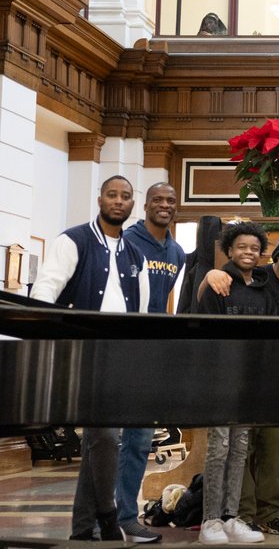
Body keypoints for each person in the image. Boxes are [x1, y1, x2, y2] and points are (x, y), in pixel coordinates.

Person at [31, 176, 151, 543]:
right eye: (112, 195)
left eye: (126, 197)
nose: (118, 201)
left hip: (119, 355)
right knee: (103, 436)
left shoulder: (136, 256)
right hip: (81, 351)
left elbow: (141, 312)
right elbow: (46, 289)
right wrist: (43, 338)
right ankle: (108, 514)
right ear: (100, 199)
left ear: (133, 205)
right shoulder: (73, 240)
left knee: (99, 440)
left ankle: (83, 529)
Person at [198, 230, 279, 537]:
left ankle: (271, 512)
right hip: (242, 380)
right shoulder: (255, 277)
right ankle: (241, 514)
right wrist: (210, 274)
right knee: (239, 447)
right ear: (276, 255)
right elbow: (208, 293)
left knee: (277, 447)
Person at [115, 183, 185, 541]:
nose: (164, 205)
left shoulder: (176, 252)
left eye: (170, 201)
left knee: (140, 440)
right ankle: (103, 516)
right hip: (116, 348)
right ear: (145, 205)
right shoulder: (126, 242)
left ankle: (126, 514)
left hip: (151, 353)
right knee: (105, 439)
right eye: (157, 200)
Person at [193, 222, 269, 545]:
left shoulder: (264, 289)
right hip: (220, 378)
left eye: (254, 248)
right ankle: (209, 521)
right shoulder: (218, 284)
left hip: (249, 380)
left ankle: (230, 517)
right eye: (241, 247)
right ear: (229, 249)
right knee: (218, 448)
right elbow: (206, 333)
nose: (248, 253)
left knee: (239, 449)